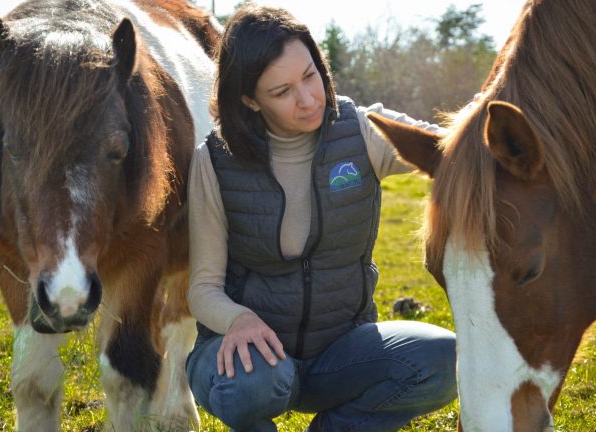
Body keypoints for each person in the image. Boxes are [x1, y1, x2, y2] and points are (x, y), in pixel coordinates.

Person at [186, 4, 457, 431]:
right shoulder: (215, 161)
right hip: (252, 361)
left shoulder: (363, 130)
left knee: (443, 359)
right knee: (254, 384)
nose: (309, 99)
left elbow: (448, 148)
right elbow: (202, 289)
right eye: (282, 91)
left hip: (341, 353)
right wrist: (238, 320)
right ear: (249, 100)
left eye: (310, 75)